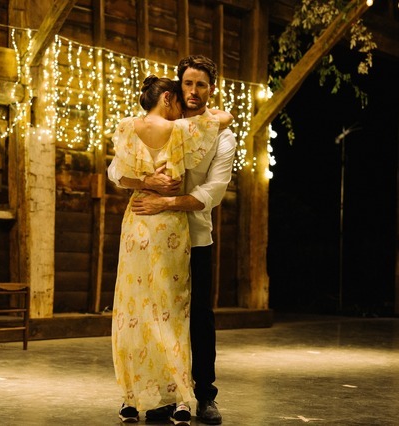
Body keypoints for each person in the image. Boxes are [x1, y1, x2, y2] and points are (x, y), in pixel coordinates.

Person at [108, 75, 232, 426]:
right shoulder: (183, 131)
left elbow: (116, 171)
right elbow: (225, 116)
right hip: (169, 231)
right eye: (183, 89)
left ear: (209, 88)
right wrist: (150, 182)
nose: (190, 95)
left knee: (135, 308)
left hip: (140, 222)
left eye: (200, 86)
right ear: (168, 97)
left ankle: (134, 395)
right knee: (173, 312)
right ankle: (177, 397)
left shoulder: (126, 126)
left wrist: (147, 186)